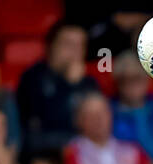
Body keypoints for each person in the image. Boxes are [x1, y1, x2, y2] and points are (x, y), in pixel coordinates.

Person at [16, 21, 101, 155]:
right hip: (45, 154)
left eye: (80, 46)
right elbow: (40, 126)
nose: (74, 52)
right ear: (51, 46)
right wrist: (68, 85)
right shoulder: (33, 78)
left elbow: (98, 126)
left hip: (84, 154)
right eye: (68, 44)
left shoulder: (89, 83)